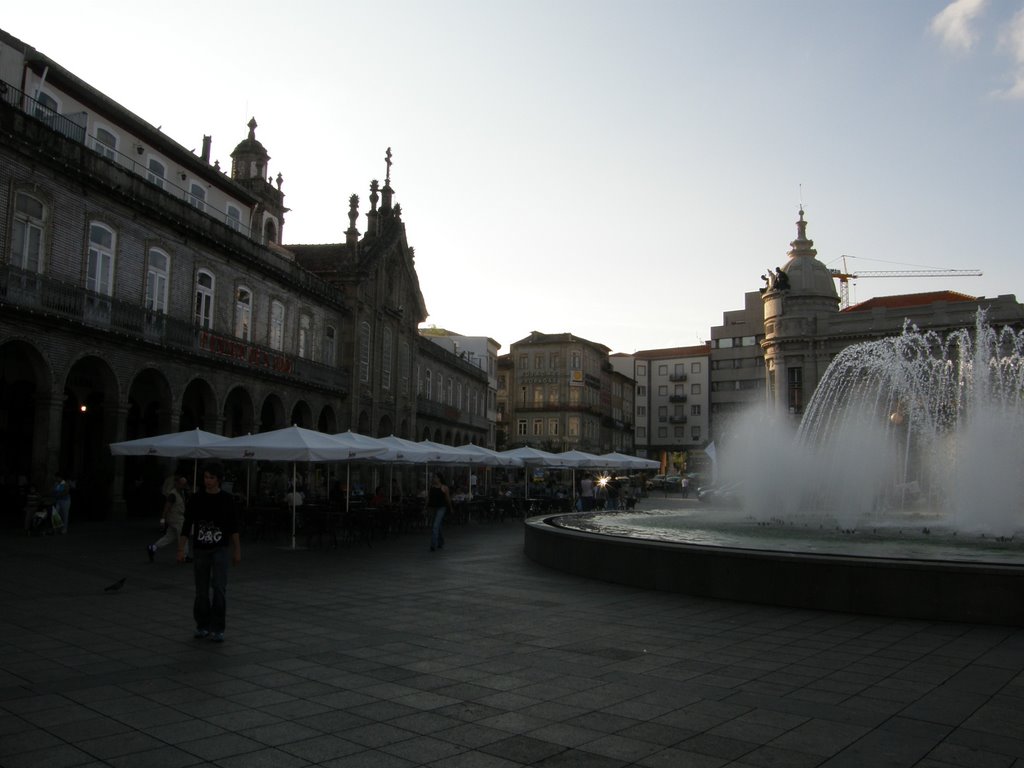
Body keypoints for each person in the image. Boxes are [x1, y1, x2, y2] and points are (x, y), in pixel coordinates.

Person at [178, 462, 241, 643]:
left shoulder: (227, 499)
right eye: (206, 477)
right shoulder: (196, 498)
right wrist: (181, 548)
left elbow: (233, 527)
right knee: (201, 590)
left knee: (219, 588)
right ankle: (202, 625)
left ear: (219, 480)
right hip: (201, 549)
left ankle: (218, 628)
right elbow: (187, 524)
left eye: (212, 478)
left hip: (220, 548)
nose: (208, 481)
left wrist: (237, 550)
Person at [148, 475, 188, 562]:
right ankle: (184, 556)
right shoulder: (173, 494)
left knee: (169, 537)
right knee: (183, 536)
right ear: (177, 484)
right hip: (176, 518)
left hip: (175, 518)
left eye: (185, 484)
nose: (184, 486)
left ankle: (153, 547)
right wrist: (162, 520)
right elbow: (166, 507)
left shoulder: (182, 492)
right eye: (182, 484)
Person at [426, 472, 452, 552]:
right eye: (433, 477)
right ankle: (441, 542)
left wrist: (451, 508)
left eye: (435, 477)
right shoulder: (431, 487)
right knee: (438, 526)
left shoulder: (444, 488)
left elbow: (448, 498)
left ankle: (433, 544)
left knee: (435, 526)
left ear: (439, 479)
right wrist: (425, 507)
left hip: (441, 508)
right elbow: (428, 498)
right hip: (433, 508)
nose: (434, 479)